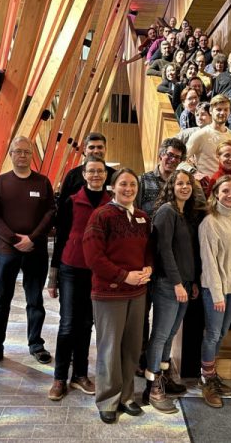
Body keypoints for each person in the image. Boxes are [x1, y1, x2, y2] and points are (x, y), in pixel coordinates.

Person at [0, 136, 55, 370]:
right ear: (10, 154)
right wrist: (12, 239)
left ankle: (36, 344)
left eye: (26, 152)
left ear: (32, 156)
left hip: (35, 249)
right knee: (1, 300)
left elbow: (50, 212)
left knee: (35, 300)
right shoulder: (1, 182)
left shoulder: (42, 182)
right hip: (5, 250)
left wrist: (32, 238)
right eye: (17, 151)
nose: (22, 155)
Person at [83, 168, 153, 424]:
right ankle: (108, 399)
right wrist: (124, 276)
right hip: (109, 293)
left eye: (132, 184)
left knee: (132, 347)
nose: (128, 189)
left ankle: (126, 396)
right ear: (113, 187)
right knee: (110, 348)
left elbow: (148, 250)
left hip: (138, 293)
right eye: (123, 184)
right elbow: (93, 257)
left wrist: (148, 267)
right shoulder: (101, 216)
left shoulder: (143, 217)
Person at [47, 156, 112, 400]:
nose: (96, 175)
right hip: (71, 269)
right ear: (84, 174)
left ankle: (80, 375)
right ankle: (60, 377)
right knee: (68, 324)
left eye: (100, 171)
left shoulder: (111, 204)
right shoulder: (71, 202)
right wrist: (53, 278)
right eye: (91, 171)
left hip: (97, 272)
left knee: (87, 324)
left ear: (106, 176)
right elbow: (60, 238)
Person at [143, 169, 201, 414]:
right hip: (168, 284)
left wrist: (192, 282)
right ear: (171, 186)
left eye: (188, 183)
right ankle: (152, 385)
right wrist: (177, 283)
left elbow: (189, 254)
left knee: (170, 334)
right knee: (160, 334)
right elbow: (163, 251)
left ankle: (164, 375)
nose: (185, 187)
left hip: (185, 284)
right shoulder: (166, 211)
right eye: (179, 183)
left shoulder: (184, 214)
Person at [198, 175, 231, 408]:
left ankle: (212, 373)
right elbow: (209, 262)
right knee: (212, 334)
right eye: (225, 191)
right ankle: (206, 380)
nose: (229, 195)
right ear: (216, 193)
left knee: (222, 333)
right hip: (215, 288)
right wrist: (217, 294)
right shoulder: (210, 222)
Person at [187, 94, 231, 180]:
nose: (222, 113)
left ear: (230, 112)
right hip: (206, 188)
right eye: (218, 109)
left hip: (228, 189)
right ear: (211, 111)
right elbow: (182, 160)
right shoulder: (200, 135)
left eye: (226, 109)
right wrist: (194, 172)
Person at [57, 132, 116, 207]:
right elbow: (62, 205)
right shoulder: (72, 175)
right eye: (91, 147)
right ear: (85, 150)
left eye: (100, 147)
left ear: (105, 149)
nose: (96, 151)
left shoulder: (115, 175)